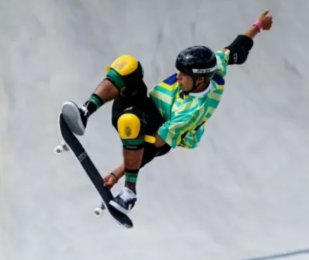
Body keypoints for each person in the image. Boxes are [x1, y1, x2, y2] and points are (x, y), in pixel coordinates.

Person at [60, 9, 273, 214]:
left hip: (156, 131)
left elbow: (151, 149)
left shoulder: (191, 112)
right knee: (127, 65)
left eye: (183, 75)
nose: (178, 77)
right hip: (145, 105)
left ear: (199, 80)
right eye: (178, 71)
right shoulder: (214, 65)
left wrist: (116, 175)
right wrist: (258, 26)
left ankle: (129, 193)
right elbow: (237, 48)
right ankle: (85, 112)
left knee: (130, 122)